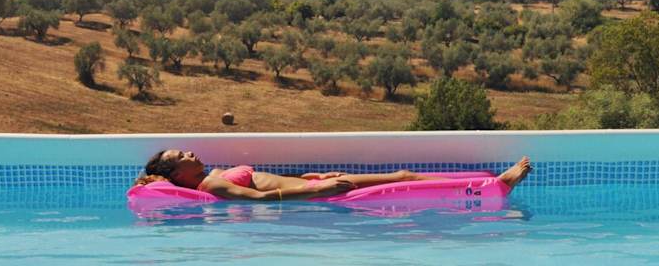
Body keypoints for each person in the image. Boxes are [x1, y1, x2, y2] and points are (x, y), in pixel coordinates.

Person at [134, 149, 532, 201]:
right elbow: (260, 198)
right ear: (177, 173)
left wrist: (314, 174)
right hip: (324, 192)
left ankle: (482, 182)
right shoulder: (212, 185)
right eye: (181, 155)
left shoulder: (212, 172)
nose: (190, 152)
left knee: (403, 173)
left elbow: (268, 178)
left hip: (316, 182)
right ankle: (491, 187)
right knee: (402, 178)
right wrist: (321, 188)